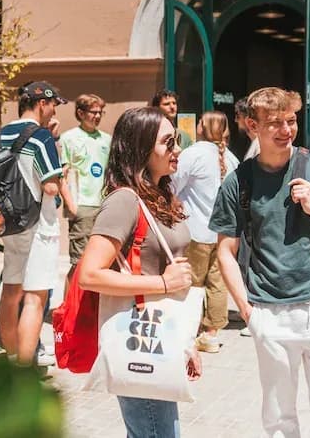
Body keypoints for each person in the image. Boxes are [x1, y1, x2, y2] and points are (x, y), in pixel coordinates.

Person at [210, 87, 310, 437]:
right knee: (279, 421)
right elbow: (225, 252)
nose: (286, 130)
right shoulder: (239, 181)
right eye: (275, 123)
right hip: (271, 315)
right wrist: (248, 312)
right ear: (252, 126)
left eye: (291, 121)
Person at [78, 106, 201, 438]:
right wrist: (163, 282)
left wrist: (185, 342)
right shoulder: (125, 201)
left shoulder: (159, 195)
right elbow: (89, 274)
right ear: (141, 149)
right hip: (138, 336)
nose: (177, 150)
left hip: (160, 334)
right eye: (168, 143)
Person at [0, 81, 65, 366]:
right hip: (38, 227)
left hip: (8, 225)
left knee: (10, 294)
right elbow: (50, 187)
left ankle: (10, 359)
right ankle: (23, 371)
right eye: (53, 105)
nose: (53, 111)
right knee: (34, 298)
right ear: (42, 103)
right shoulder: (41, 137)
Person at [171, 111, 240, 353]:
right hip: (223, 234)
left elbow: (171, 184)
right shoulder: (232, 159)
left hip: (195, 230)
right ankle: (211, 335)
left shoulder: (191, 154)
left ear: (203, 128)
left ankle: (187, 332)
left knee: (191, 284)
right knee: (217, 284)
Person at [59, 94, 111, 289]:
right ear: (81, 113)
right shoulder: (68, 138)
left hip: (104, 205)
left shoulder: (107, 140)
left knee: (99, 262)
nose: (97, 116)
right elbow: (62, 175)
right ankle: (67, 311)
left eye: (100, 112)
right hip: (82, 206)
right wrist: (71, 206)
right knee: (78, 263)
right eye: (93, 112)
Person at [234, 96, 259, 161]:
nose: (235, 120)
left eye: (238, 116)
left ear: (248, 119)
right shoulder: (256, 143)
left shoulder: (260, 146)